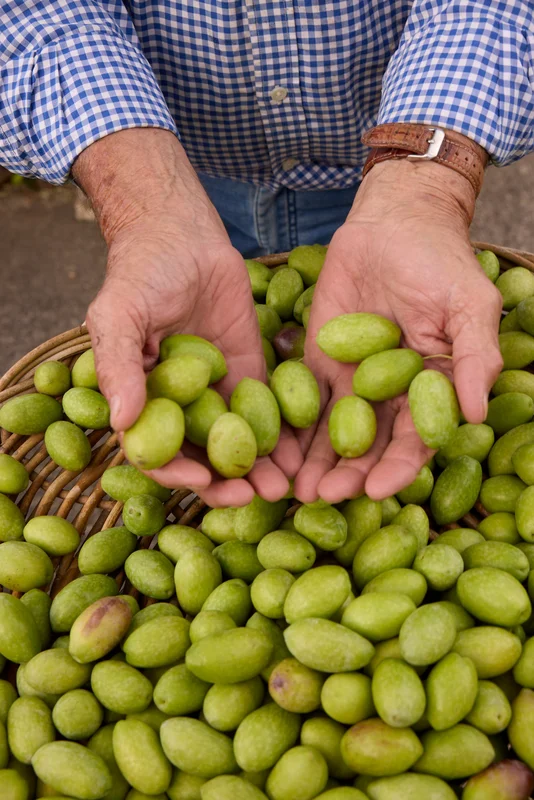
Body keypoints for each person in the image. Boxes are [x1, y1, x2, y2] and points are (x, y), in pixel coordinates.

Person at [2, 1, 533, 508]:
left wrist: (424, 195)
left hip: (391, 156)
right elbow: (34, 14)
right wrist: (148, 211)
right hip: (173, 166)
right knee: (231, 308)